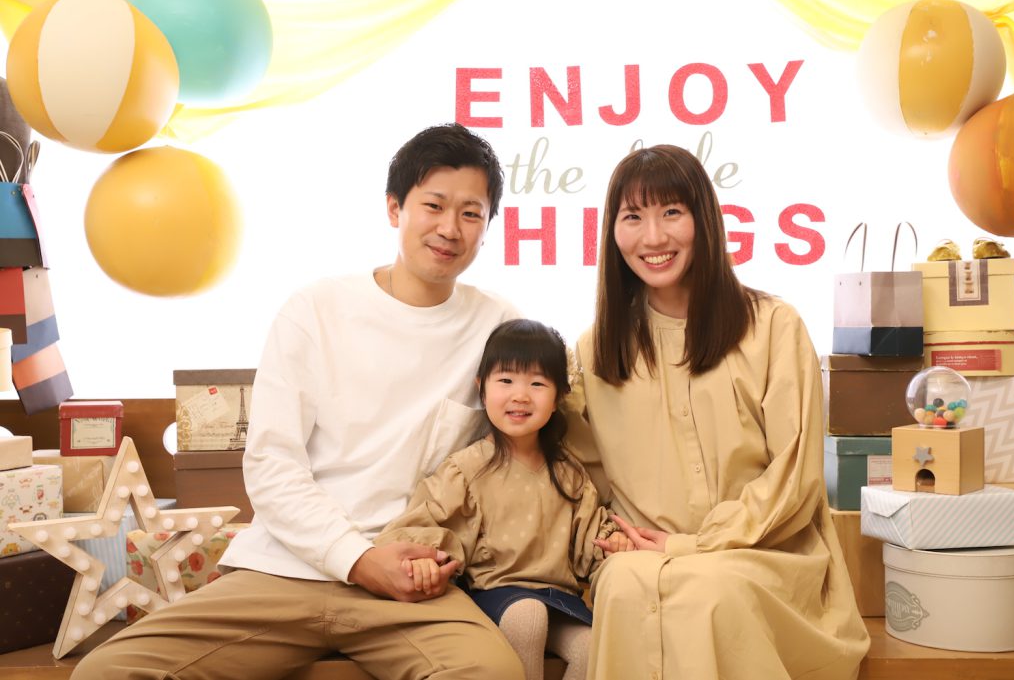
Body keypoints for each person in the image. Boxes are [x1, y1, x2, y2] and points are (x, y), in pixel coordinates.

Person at [71, 123, 526, 680]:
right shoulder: (317, 309)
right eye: (433, 205)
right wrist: (357, 559)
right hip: (285, 569)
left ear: (488, 226)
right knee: (107, 672)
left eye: (471, 213)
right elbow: (271, 466)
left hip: (411, 582)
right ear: (394, 208)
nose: (450, 228)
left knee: (492, 672)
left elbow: (526, 451)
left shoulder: (498, 325)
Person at [564, 144, 871, 680]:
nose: (653, 237)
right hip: (643, 556)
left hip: (765, 551)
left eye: (671, 212)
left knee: (708, 593)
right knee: (624, 587)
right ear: (611, 232)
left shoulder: (773, 326)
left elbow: (794, 478)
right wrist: (614, 538)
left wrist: (694, 544)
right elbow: (583, 478)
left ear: (704, 219)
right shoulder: (595, 350)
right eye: (632, 217)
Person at [375, 319, 633, 680]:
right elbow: (424, 523)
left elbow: (591, 541)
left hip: (559, 598)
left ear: (559, 396)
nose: (520, 395)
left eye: (537, 383)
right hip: (494, 596)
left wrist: (613, 544)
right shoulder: (467, 469)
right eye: (506, 380)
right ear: (481, 388)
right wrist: (422, 562)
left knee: (593, 647)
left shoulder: (570, 474)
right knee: (527, 615)